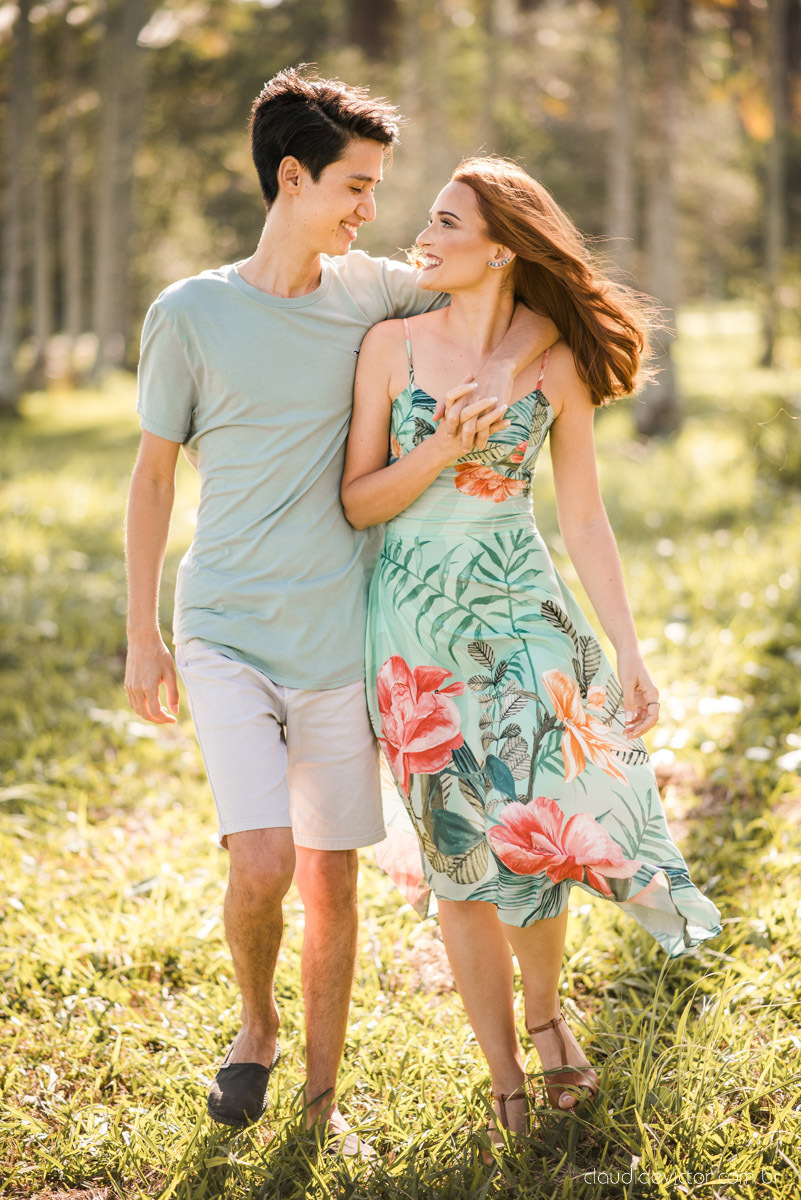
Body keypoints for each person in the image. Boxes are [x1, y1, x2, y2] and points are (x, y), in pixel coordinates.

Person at [124, 69, 558, 1152]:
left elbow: (513, 301)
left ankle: (319, 1103)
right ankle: (257, 1026)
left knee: (332, 874)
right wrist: (144, 634)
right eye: (357, 186)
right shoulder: (189, 314)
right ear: (292, 176)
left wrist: (502, 372)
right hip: (225, 626)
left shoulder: (374, 294)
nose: (373, 209)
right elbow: (151, 479)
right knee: (265, 862)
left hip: (340, 637)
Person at [341, 156, 722, 1153]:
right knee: (458, 856)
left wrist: (626, 647)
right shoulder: (390, 347)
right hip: (414, 633)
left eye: (446, 221)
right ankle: (504, 1074)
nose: (423, 234)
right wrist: (441, 446)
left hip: (524, 614)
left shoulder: (550, 364)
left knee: (534, 834)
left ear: (502, 247)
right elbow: (359, 501)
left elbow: (584, 516)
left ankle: (546, 1015)